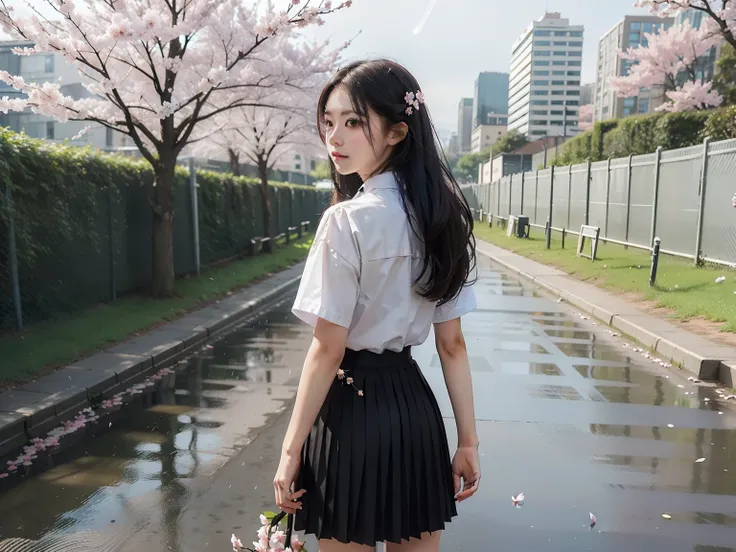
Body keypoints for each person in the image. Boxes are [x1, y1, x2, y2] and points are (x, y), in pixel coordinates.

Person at [273, 58, 480, 552]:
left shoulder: (346, 221)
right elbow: (452, 345)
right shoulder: (443, 216)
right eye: (330, 122)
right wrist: (468, 442)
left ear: (396, 132)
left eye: (353, 122)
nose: (335, 138)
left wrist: (289, 450)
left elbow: (327, 350)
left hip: (350, 417)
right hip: (414, 413)